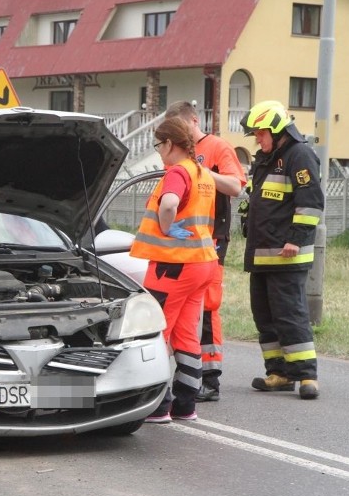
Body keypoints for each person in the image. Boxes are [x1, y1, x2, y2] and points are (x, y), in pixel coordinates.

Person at [130, 117, 218, 423]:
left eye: (158, 145)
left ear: (170, 144)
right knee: (185, 334)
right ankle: (185, 405)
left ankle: (159, 405)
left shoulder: (178, 172)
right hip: (202, 263)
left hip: (174, 265)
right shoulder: (203, 174)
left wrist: (167, 229)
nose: (158, 152)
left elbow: (168, 204)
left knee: (155, 332)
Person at [239, 100, 324, 400]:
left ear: (277, 131)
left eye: (261, 134)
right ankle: (279, 372)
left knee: (290, 315)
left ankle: (306, 376)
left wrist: (296, 238)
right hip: (261, 255)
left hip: (287, 255)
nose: (257, 140)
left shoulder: (299, 155)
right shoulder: (265, 159)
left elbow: (311, 202)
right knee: (264, 316)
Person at [165, 101, 246, 403]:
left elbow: (236, 186)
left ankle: (209, 379)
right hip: (181, 240)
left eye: (180, 129)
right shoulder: (176, 155)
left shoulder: (216, 147)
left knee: (208, 305)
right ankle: (185, 374)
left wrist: (200, 173)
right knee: (183, 308)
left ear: (194, 121)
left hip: (211, 238)